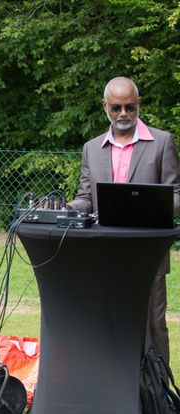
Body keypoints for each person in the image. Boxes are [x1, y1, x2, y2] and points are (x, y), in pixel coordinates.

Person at [68, 76, 180, 365]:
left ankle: (158, 400)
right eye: (116, 108)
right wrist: (62, 207)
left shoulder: (162, 142)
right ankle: (111, 391)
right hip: (104, 252)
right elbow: (85, 198)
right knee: (106, 325)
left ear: (138, 104)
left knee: (154, 326)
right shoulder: (91, 148)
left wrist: (154, 209)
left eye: (130, 108)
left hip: (149, 253)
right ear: (105, 106)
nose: (123, 115)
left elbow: (176, 194)